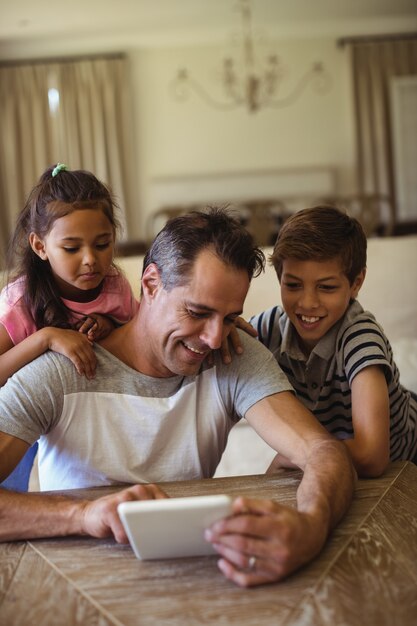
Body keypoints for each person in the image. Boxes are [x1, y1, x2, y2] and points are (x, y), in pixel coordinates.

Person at [0, 208, 355, 588]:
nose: (215, 338)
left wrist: (311, 527)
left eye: (229, 317)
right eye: (198, 312)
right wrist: (83, 515)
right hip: (76, 586)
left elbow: (322, 451)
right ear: (151, 284)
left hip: (198, 581)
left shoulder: (233, 357)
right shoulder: (60, 371)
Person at [249, 206, 417, 478]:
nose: (307, 303)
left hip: (406, 462)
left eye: (326, 287)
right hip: (332, 456)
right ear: (280, 278)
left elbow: (372, 456)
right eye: (292, 285)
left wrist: (292, 455)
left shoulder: (360, 338)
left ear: (356, 283)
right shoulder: (269, 328)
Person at [0, 163, 138, 490]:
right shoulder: (21, 301)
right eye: (72, 248)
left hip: (81, 414)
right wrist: (46, 338)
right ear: (40, 246)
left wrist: (108, 325)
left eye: (102, 244)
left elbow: (138, 339)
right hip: (16, 413)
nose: (90, 259)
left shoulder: (116, 286)